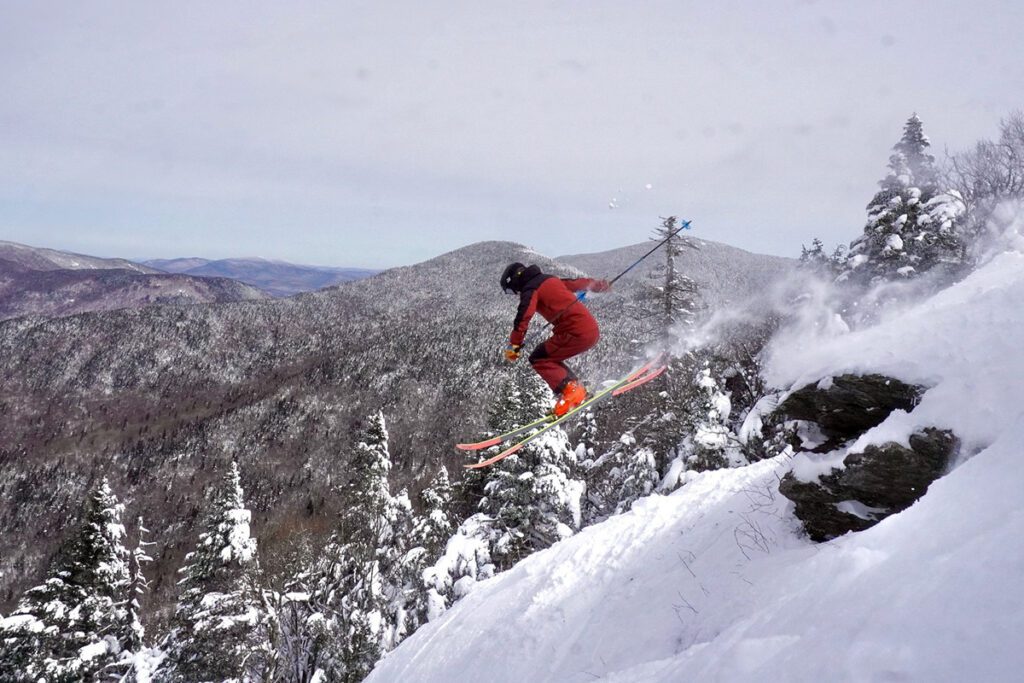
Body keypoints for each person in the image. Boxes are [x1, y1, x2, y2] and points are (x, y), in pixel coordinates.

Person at [500, 262, 611, 416]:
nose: (516, 294)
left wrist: (514, 345)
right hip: (591, 329)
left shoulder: (530, 289)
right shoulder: (550, 279)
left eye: (511, 291)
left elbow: (523, 318)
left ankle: (572, 392)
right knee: (549, 357)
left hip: (575, 333)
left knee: (539, 359)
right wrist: (599, 285)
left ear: (514, 281)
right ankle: (576, 389)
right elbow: (577, 283)